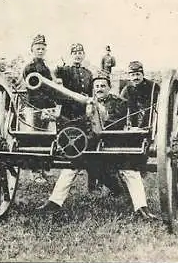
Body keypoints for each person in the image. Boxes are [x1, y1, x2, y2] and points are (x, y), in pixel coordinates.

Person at [36, 76, 158, 220]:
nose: (99, 88)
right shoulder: (85, 102)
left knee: (130, 170)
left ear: (109, 88)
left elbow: (116, 123)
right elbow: (76, 123)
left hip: (112, 144)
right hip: (90, 145)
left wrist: (99, 114)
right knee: (70, 168)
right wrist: (57, 118)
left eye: (103, 86)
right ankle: (54, 203)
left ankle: (141, 208)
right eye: (97, 86)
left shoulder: (120, 103)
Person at [22, 34, 57, 183]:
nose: (40, 51)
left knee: (45, 138)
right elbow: (31, 88)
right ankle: (35, 172)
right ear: (32, 50)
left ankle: (43, 169)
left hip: (46, 107)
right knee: (34, 139)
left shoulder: (46, 68)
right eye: (38, 48)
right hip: (34, 106)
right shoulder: (29, 67)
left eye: (43, 48)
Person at [54, 43, 93, 120]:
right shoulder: (65, 70)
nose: (77, 56)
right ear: (71, 56)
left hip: (84, 107)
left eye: (80, 53)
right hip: (69, 107)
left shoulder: (88, 73)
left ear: (84, 55)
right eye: (75, 53)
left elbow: (90, 91)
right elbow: (54, 76)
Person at [120, 61, 160, 129]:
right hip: (134, 125)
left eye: (138, 74)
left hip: (152, 121)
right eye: (133, 75)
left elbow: (160, 106)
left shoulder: (153, 87)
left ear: (143, 74)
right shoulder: (127, 89)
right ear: (129, 77)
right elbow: (121, 108)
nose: (136, 77)